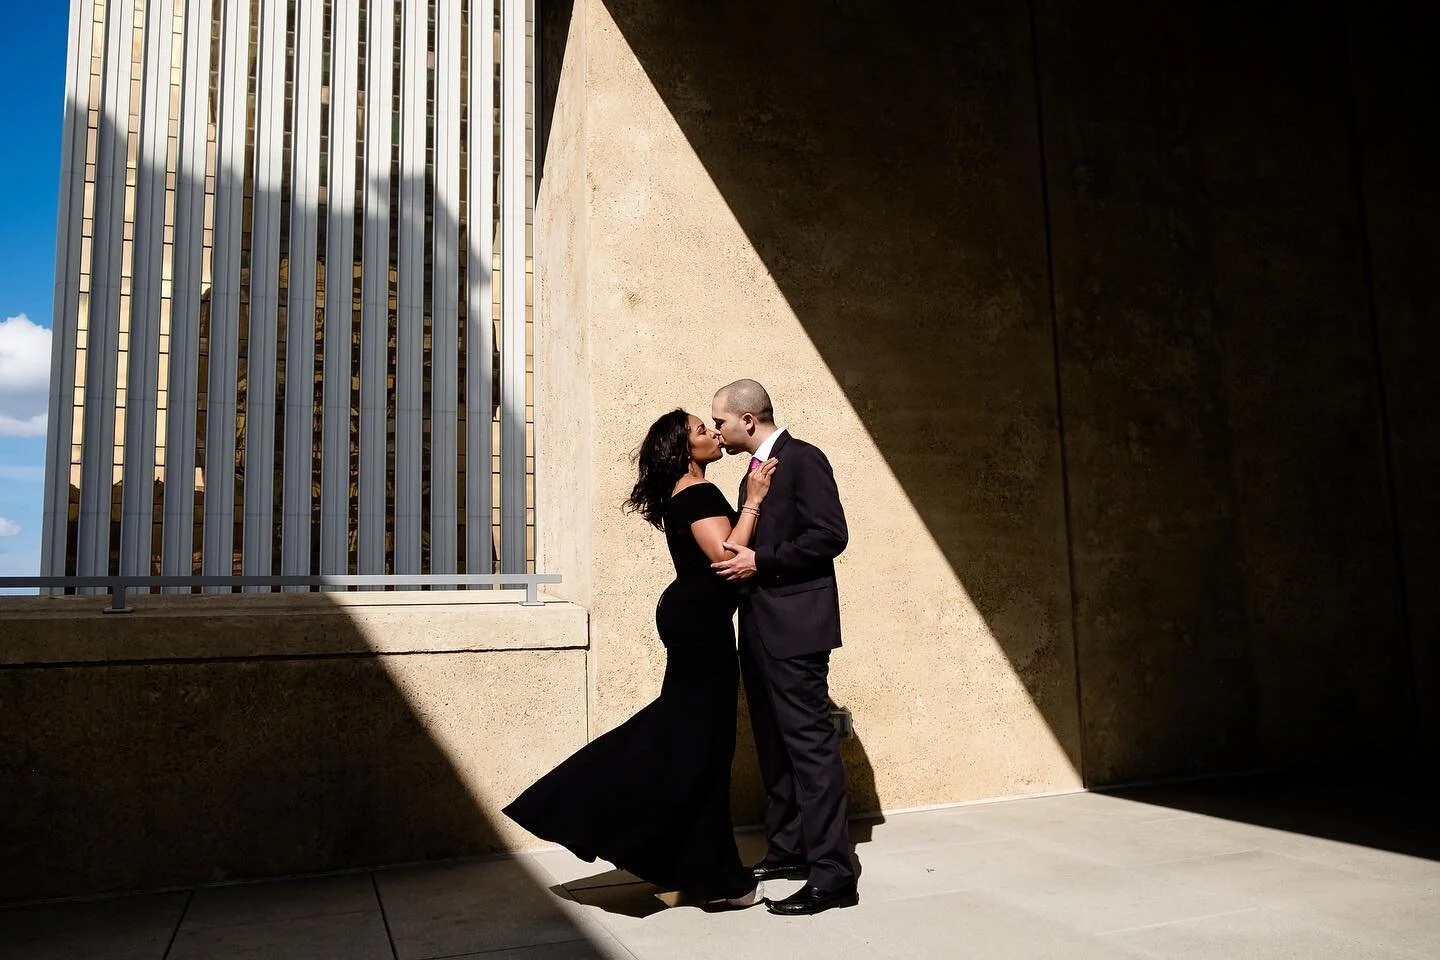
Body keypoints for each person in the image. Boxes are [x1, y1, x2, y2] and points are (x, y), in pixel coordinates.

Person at [503, 409, 778, 910]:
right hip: (700, 627)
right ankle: (579, 805)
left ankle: (687, 864)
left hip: (693, 620)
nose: (714, 434)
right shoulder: (698, 493)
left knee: (691, 742)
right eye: (701, 430)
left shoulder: (684, 494)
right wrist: (755, 502)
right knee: (701, 743)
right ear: (682, 449)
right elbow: (727, 558)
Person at [710, 379, 858, 916]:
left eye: (721, 421)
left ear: (748, 419)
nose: (718, 431)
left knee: (811, 749)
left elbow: (830, 536)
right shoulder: (754, 471)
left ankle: (834, 875)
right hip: (760, 627)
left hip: (798, 629)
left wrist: (761, 561)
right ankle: (790, 850)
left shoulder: (804, 459)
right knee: (773, 745)